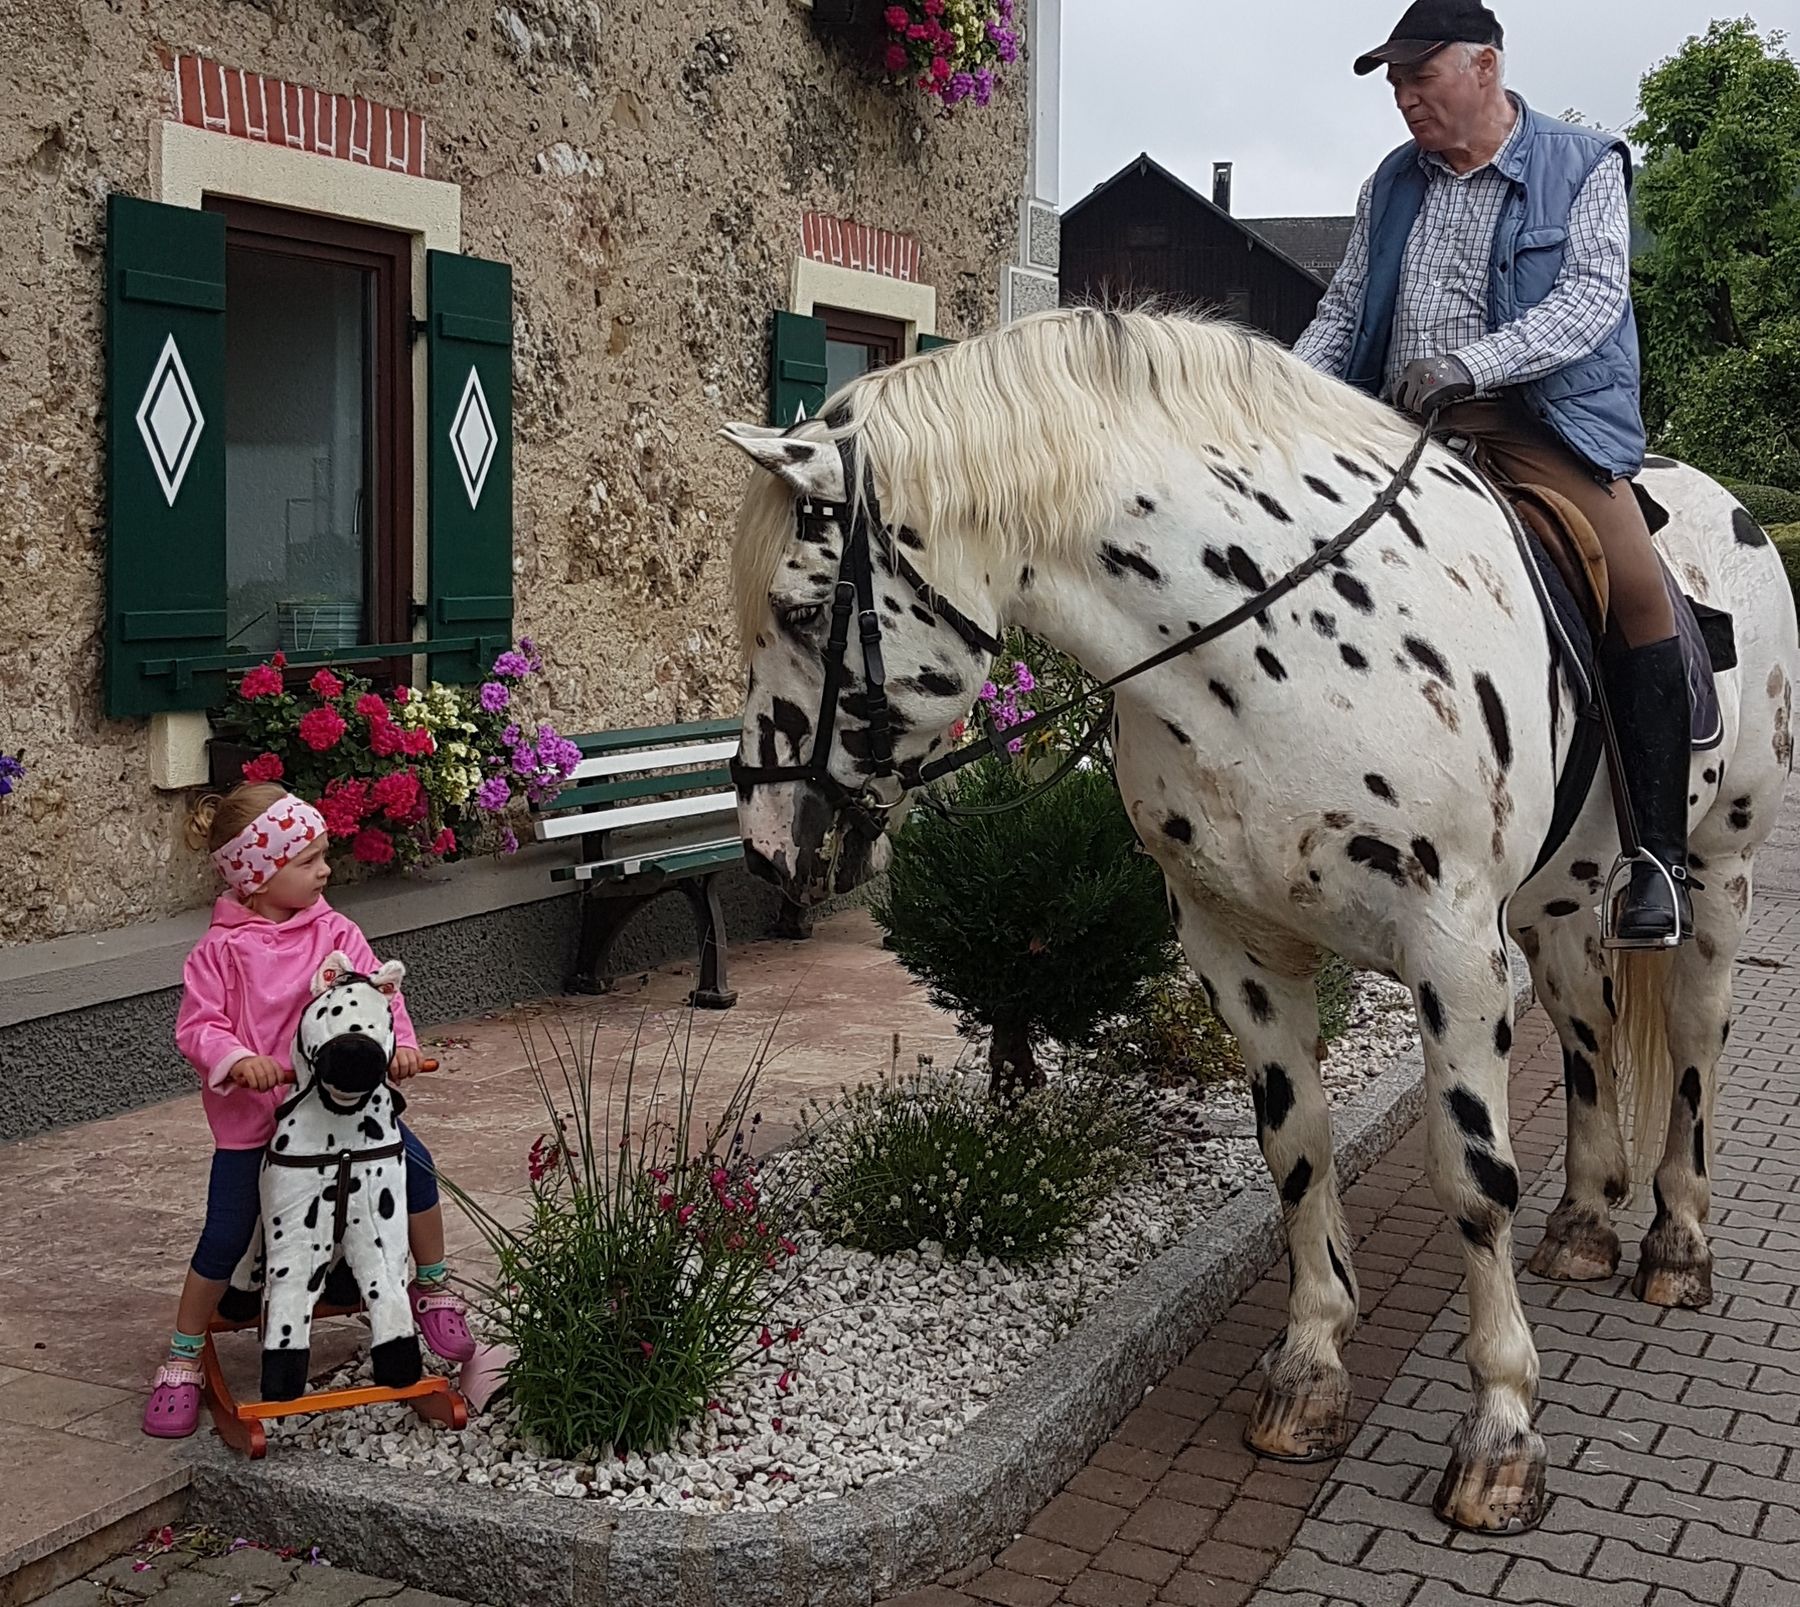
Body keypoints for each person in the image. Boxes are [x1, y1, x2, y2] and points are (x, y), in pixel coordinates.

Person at [1294, 0, 1690, 946]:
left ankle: (1657, 863)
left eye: (1417, 75)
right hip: (1395, 425)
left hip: (1532, 422)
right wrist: (1266, 394)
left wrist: (1475, 365)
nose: (1402, 98)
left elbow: (1593, 298)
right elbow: (1346, 313)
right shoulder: (1391, 183)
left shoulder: (1583, 165)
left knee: (1638, 590)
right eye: (1393, 81)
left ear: (1484, 67)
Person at [142, 782, 475, 1437]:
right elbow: (198, 1025)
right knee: (228, 1228)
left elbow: (380, 993)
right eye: (310, 859)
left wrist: (400, 1045)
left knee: (416, 1167)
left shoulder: (337, 930)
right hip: (255, 1124)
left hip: (347, 1113)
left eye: (325, 854)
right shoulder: (219, 951)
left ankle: (429, 1282)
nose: (326, 869)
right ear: (259, 876)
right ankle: (182, 1355)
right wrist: (237, 1058)